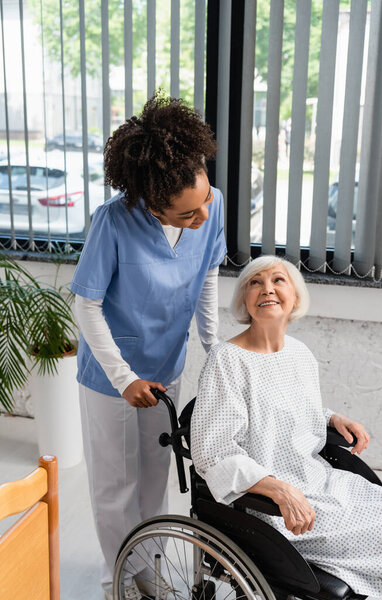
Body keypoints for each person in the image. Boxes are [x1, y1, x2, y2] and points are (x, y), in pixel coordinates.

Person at [70, 94, 226, 600]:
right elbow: (86, 306)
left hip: (167, 364)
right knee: (115, 490)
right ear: (149, 201)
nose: (201, 215)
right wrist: (124, 378)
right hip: (111, 376)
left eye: (204, 200)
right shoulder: (113, 221)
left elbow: (206, 277)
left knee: (156, 480)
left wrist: (215, 346)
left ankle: (148, 568)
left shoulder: (211, 203)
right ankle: (119, 580)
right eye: (186, 214)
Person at [191, 255, 382, 599]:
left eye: (278, 280)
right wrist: (280, 490)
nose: (267, 289)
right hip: (271, 508)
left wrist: (331, 418)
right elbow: (214, 452)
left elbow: (291, 414)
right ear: (244, 298)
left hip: (323, 482)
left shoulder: (299, 353)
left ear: (295, 298)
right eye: (255, 282)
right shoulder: (227, 360)